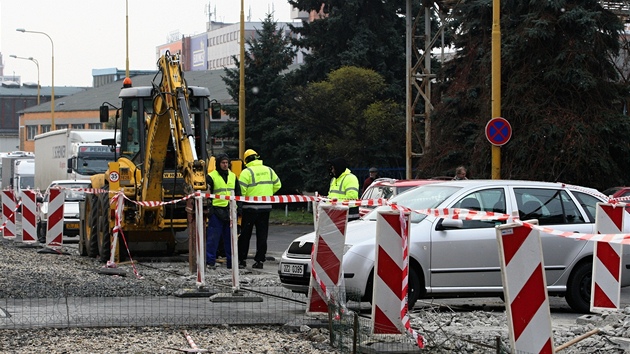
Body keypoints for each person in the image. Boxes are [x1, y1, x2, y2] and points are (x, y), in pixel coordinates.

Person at [238, 149, 282, 269]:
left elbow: (241, 190)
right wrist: (268, 195)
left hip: (250, 207)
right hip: (265, 207)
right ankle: (259, 261)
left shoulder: (246, 172)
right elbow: (278, 185)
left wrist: (244, 200)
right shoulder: (269, 170)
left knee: (245, 235)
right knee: (262, 235)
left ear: (246, 160)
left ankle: (242, 260)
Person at [206, 154, 241, 269]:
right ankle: (210, 261)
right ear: (218, 164)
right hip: (216, 211)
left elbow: (238, 194)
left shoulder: (233, 176)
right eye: (223, 163)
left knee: (230, 239)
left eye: (226, 163)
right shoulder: (211, 176)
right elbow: (207, 195)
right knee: (213, 239)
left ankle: (231, 263)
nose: (225, 165)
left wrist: (239, 209)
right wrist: (210, 210)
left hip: (230, 211)